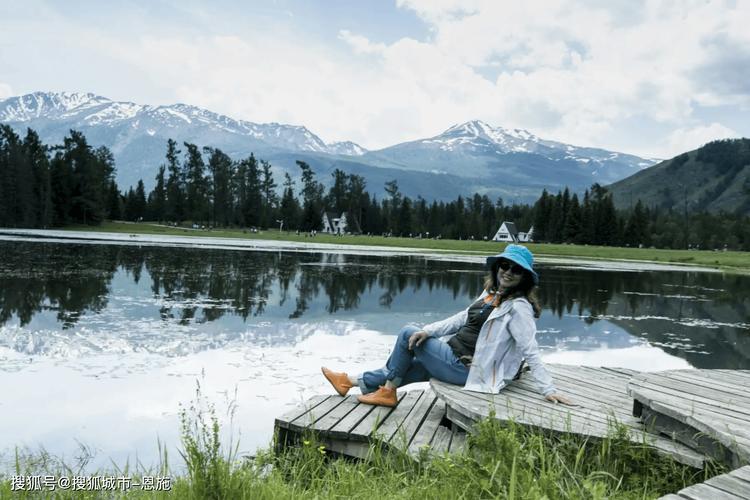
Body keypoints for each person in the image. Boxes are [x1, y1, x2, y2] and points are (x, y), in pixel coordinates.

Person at [321, 244, 572, 407]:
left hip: (467, 368)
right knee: (411, 364)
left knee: (407, 333)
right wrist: (428, 331)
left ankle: (387, 393)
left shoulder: (518, 307)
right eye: (504, 266)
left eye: (516, 270)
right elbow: (461, 319)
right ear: (497, 268)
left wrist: (548, 389)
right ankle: (348, 381)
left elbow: (530, 349)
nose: (508, 272)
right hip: (453, 357)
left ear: (524, 277)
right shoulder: (490, 294)